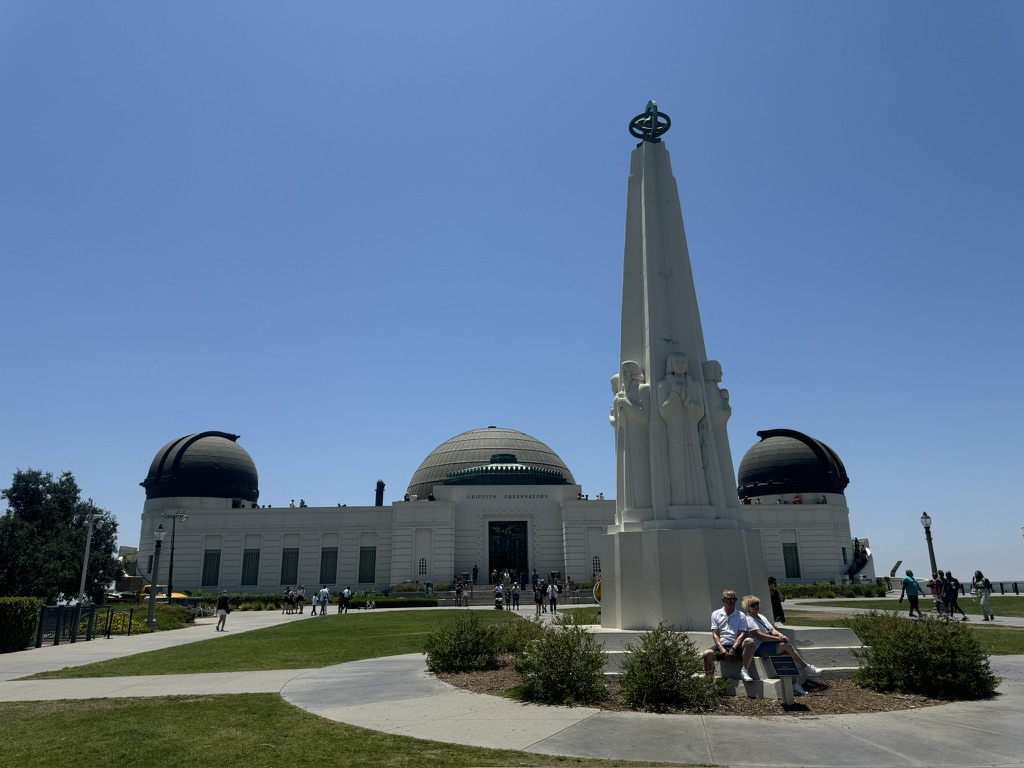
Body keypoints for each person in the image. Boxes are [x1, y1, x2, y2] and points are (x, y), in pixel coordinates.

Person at [741, 595, 821, 695]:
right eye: (753, 605)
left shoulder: (761, 617)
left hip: (768, 644)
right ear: (747, 608)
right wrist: (779, 639)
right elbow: (759, 636)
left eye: (757, 603)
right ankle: (806, 667)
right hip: (759, 646)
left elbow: (772, 630)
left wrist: (780, 635)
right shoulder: (749, 619)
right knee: (786, 646)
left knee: (787, 655)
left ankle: (794, 686)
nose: (756, 606)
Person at [702, 589, 754, 678]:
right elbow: (715, 633)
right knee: (707, 654)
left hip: (736, 646)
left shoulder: (741, 615)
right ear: (723, 600)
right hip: (723, 645)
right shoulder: (716, 614)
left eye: (734, 599)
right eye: (729, 599)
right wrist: (722, 649)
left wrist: (733, 648)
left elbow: (742, 634)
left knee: (749, 641)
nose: (732, 601)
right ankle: (709, 681)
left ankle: (744, 671)